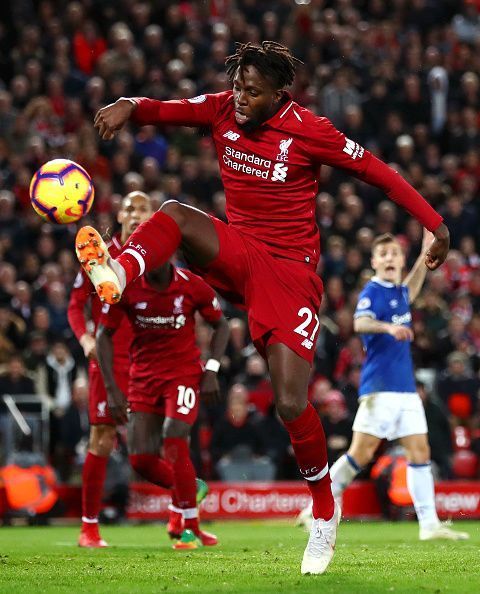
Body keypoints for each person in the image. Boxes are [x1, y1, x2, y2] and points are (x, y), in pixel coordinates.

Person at [76, 41, 450, 574]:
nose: (241, 97)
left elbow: (377, 172)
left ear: (279, 93)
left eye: (253, 91)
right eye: (238, 86)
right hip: (240, 252)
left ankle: (325, 510)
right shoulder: (222, 108)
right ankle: (119, 270)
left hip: (290, 273)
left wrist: (435, 223)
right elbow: (168, 108)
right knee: (175, 213)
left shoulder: (309, 128)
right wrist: (129, 104)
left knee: (291, 403)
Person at [298, 231, 468, 541]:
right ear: (375, 261)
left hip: (405, 391)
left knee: (420, 452)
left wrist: (422, 253)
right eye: (384, 254)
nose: (390, 258)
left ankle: (429, 525)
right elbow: (360, 322)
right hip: (379, 389)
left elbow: (413, 286)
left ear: (400, 260)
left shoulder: (399, 293)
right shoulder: (373, 291)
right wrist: (388, 327)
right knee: (359, 454)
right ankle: (314, 508)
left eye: (394, 253)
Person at [96, 255, 229, 549]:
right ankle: (190, 489)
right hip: (143, 380)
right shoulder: (127, 287)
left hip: (183, 375)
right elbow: (103, 335)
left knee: (174, 436)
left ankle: (190, 528)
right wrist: (112, 389)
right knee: (140, 459)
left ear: (168, 251)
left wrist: (212, 369)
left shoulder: (192, 285)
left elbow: (222, 326)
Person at [67, 191, 152, 547]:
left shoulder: (156, 251)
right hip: (109, 359)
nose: (135, 214)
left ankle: (184, 519)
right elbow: (75, 306)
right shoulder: (97, 254)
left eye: (142, 208)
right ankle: (89, 527)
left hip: (150, 358)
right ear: (119, 215)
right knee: (102, 438)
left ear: (151, 215)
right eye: (129, 208)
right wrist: (86, 339)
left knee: (166, 436)